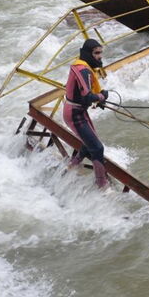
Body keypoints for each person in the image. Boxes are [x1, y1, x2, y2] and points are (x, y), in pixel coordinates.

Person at [63, 39, 111, 188]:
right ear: (87, 53)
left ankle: (72, 165)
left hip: (78, 111)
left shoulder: (83, 67)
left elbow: (86, 95)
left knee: (88, 142)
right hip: (74, 114)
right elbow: (87, 96)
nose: (100, 57)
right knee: (97, 148)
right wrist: (102, 96)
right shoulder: (83, 69)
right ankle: (101, 185)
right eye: (97, 53)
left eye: (101, 53)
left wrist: (99, 98)